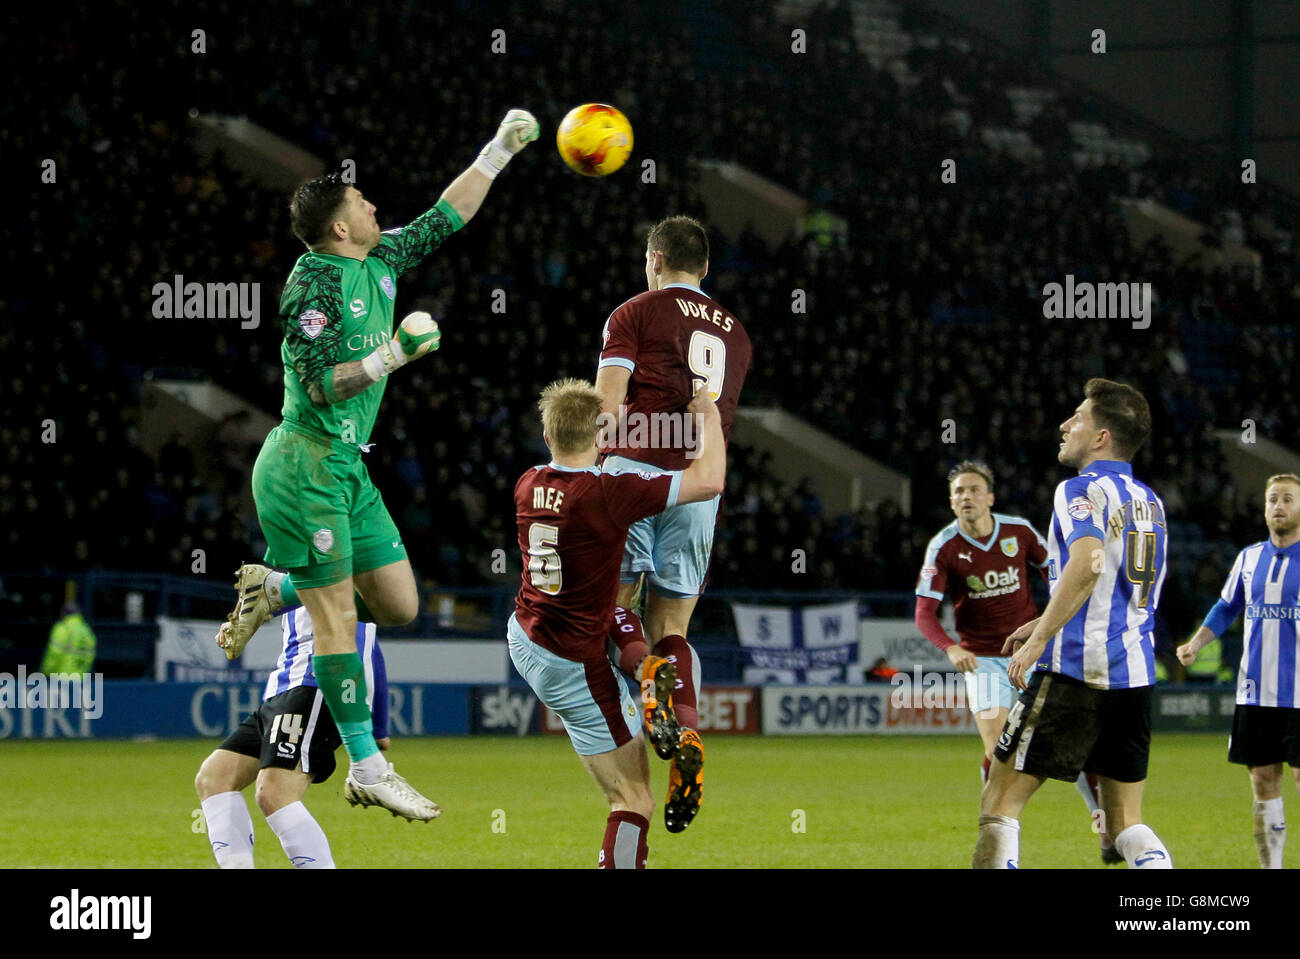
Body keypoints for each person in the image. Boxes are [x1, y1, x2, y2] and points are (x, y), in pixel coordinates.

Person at [214, 109, 540, 821]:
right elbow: (325, 380)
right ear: (338, 229)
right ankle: (369, 763)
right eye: (360, 204)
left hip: (348, 466)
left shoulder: (379, 259)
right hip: (303, 462)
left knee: (397, 604)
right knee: (337, 622)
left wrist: (496, 152)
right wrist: (394, 353)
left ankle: (276, 585)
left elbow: (441, 217)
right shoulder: (313, 285)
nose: (372, 205)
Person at [509, 378, 725, 866]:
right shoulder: (608, 492)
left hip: (525, 635)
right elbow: (708, 481)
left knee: (611, 603)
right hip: (574, 666)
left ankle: (641, 668)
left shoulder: (528, 483)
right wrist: (709, 416)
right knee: (634, 799)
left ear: (547, 437)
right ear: (605, 434)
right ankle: (645, 672)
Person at [973, 378, 1172, 869]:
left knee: (999, 803)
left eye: (1078, 418)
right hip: (1135, 678)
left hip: (1076, 671)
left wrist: (1041, 638)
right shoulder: (1150, 501)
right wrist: (1045, 614)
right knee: (1125, 825)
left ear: (1102, 437)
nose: (1065, 425)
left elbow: (1088, 562)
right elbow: (1116, 586)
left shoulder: (1079, 490)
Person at [593, 215, 752, 831]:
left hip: (633, 469)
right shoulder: (737, 334)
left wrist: (589, 463)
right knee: (673, 624)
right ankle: (686, 727)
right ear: (706, 267)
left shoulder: (634, 311)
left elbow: (608, 404)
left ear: (654, 257)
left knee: (609, 597)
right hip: (699, 485)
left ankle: (643, 673)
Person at [916, 461, 1119, 862]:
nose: (966, 497)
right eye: (958, 492)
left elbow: (1057, 573)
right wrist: (951, 648)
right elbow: (924, 613)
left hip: (1033, 652)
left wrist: (1051, 622)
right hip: (985, 663)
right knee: (999, 749)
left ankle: (1107, 832)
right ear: (952, 502)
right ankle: (999, 835)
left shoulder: (1019, 532)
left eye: (974, 489)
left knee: (1076, 742)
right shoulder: (944, 546)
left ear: (989, 497)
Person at [195, 607, 391, 869]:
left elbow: (365, 640)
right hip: (286, 687)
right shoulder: (302, 576)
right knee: (214, 779)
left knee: (275, 794)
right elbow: (372, 646)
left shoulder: (331, 570)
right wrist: (379, 727)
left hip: (314, 684)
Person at [1177, 473, 1300, 868]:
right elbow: (1228, 606)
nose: (1278, 506)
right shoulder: (1248, 557)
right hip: (1256, 691)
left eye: (1287, 499)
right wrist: (1196, 643)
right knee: (1263, 780)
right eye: (1272, 500)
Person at [42, 602, 97, 676]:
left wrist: (46, 672)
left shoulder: (62, 628)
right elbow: (90, 656)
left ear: (63, 613)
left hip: (61, 678)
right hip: (81, 678)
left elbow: (54, 654)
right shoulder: (87, 631)